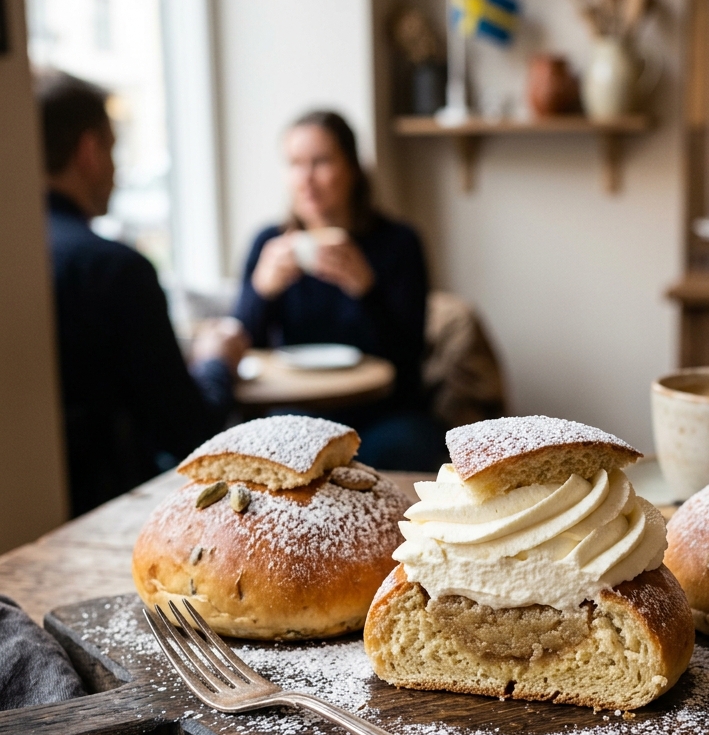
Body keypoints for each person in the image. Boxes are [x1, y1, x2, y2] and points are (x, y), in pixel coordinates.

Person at [36, 71, 249, 516]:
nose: (116, 170)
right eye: (114, 150)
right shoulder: (114, 269)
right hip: (106, 517)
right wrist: (215, 360)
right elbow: (190, 434)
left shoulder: (22, 258)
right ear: (89, 151)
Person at [235, 110, 446, 470]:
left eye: (320, 162)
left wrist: (367, 289)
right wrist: (261, 290)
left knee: (408, 443)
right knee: (271, 442)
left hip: (384, 412)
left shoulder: (398, 243)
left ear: (352, 169)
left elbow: (409, 356)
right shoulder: (269, 244)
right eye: (295, 164)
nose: (306, 179)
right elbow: (240, 346)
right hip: (300, 409)